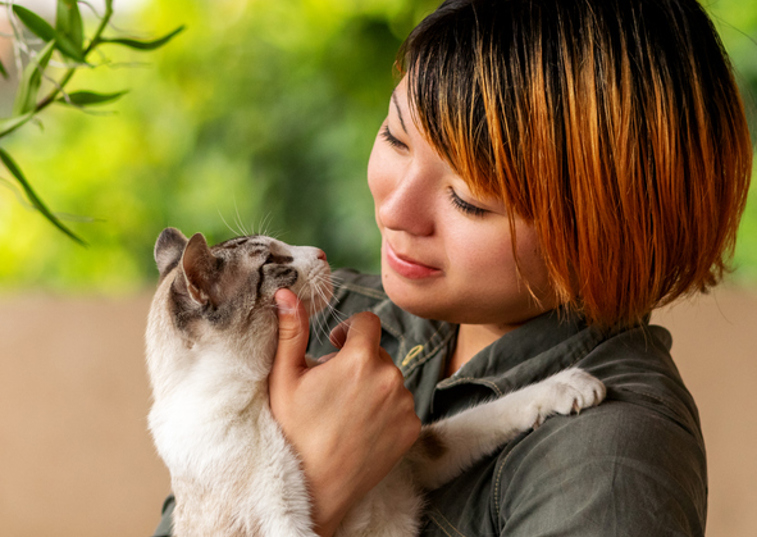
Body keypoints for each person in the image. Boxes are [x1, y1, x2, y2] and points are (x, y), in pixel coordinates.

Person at [151, 0, 752, 535]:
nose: (393, 208)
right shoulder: (323, 319)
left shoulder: (609, 468)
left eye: (468, 199)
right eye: (395, 138)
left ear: (602, 234)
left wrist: (313, 496)